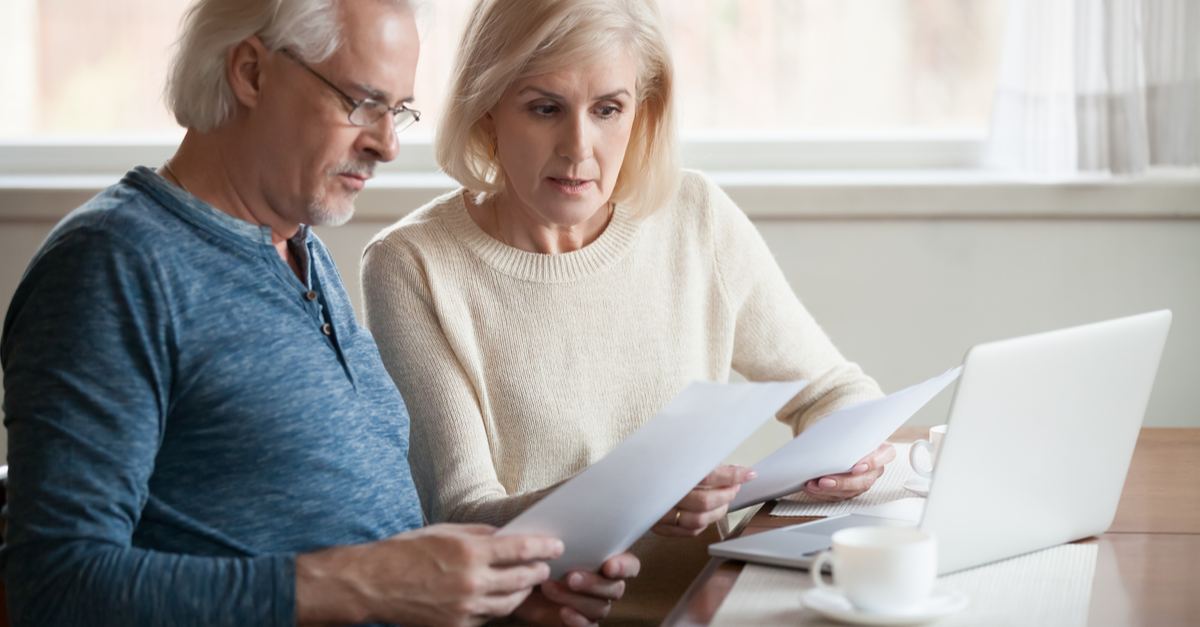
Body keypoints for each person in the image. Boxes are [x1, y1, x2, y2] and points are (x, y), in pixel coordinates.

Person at [0, 0, 638, 625]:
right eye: (361, 102)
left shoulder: (299, 249)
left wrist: (491, 598)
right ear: (251, 72)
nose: (388, 145)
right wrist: (363, 583)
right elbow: (56, 587)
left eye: (399, 111)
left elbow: (351, 549)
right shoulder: (111, 266)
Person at [360, 0, 896, 623]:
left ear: (642, 112)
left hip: (712, 608)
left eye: (608, 109)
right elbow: (463, 515)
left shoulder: (695, 214)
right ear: (487, 110)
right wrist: (632, 497)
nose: (578, 148)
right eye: (545, 108)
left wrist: (851, 456)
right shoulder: (410, 264)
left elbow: (837, 390)